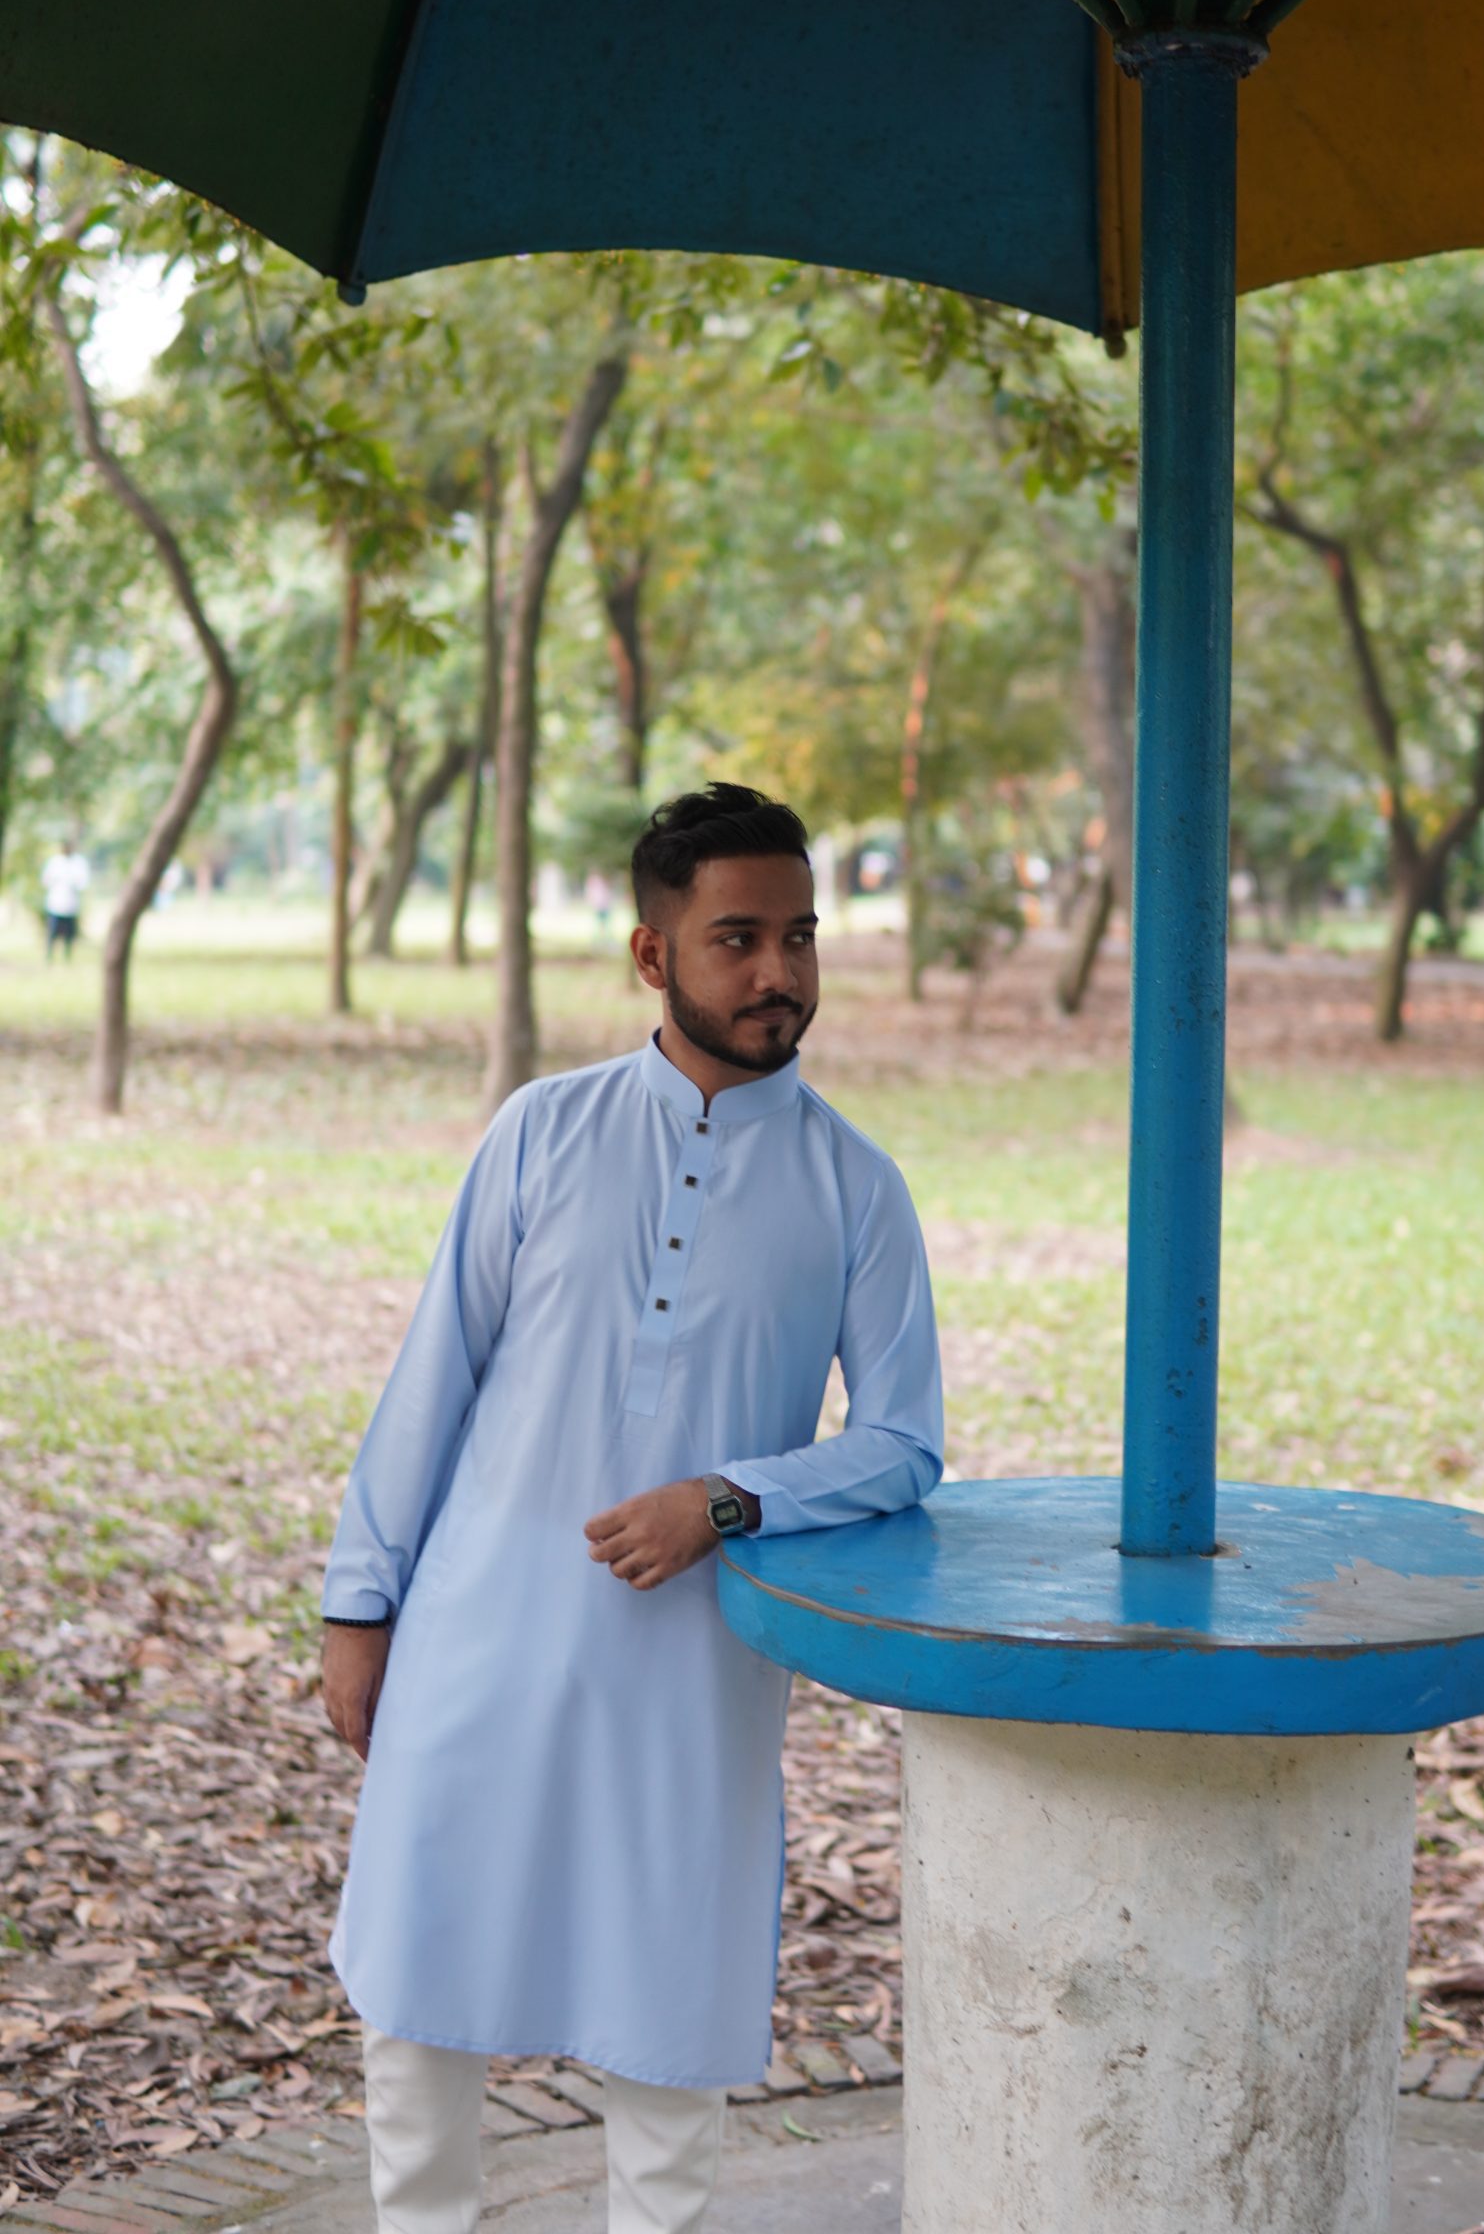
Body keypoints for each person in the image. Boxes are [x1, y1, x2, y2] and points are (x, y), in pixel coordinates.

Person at [320, 782, 943, 2234]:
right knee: (420, 1988)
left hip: (686, 1672)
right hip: (477, 1631)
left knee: (668, 2013)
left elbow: (905, 1445)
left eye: (799, 936)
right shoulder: (542, 1131)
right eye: (739, 938)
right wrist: (361, 1600)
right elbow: (433, 1378)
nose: (779, 972)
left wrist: (724, 1500)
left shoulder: (856, 1186)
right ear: (653, 954)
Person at [40, 840, 90, 960]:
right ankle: (50, 955)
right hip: (55, 902)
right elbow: (45, 880)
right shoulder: (54, 862)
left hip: (71, 903)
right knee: (52, 932)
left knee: (69, 933)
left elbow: (83, 882)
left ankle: (67, 956)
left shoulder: (78, 862)